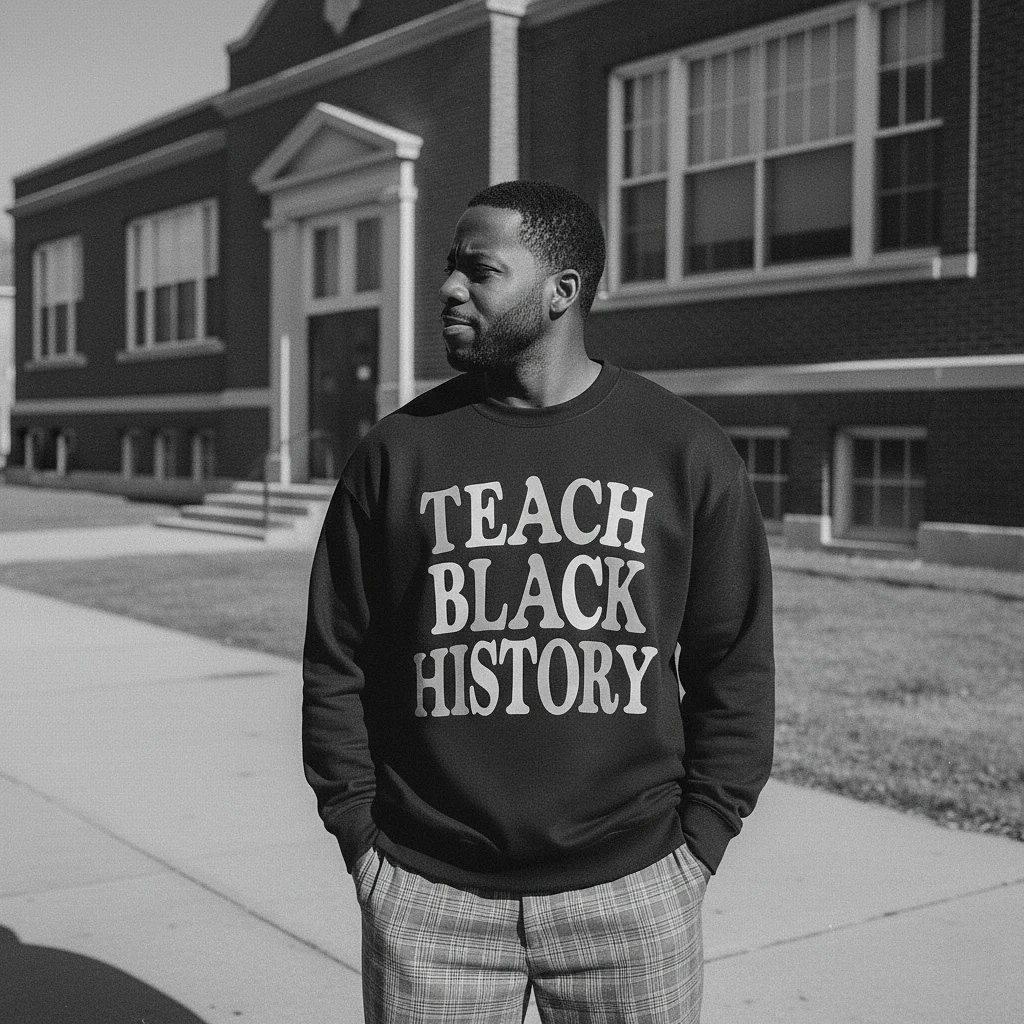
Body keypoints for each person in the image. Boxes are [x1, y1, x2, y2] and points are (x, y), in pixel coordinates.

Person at [302, 180, 775, 1023]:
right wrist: (363, 844)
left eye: (480, 270)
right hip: (429, 900)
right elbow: (337, 658)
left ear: (563, 290)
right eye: (451, 268)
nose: (448, 288)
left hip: (631, 898)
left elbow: (732, 665)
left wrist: (698, 848)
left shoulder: (683, 450)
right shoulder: (397, 454)